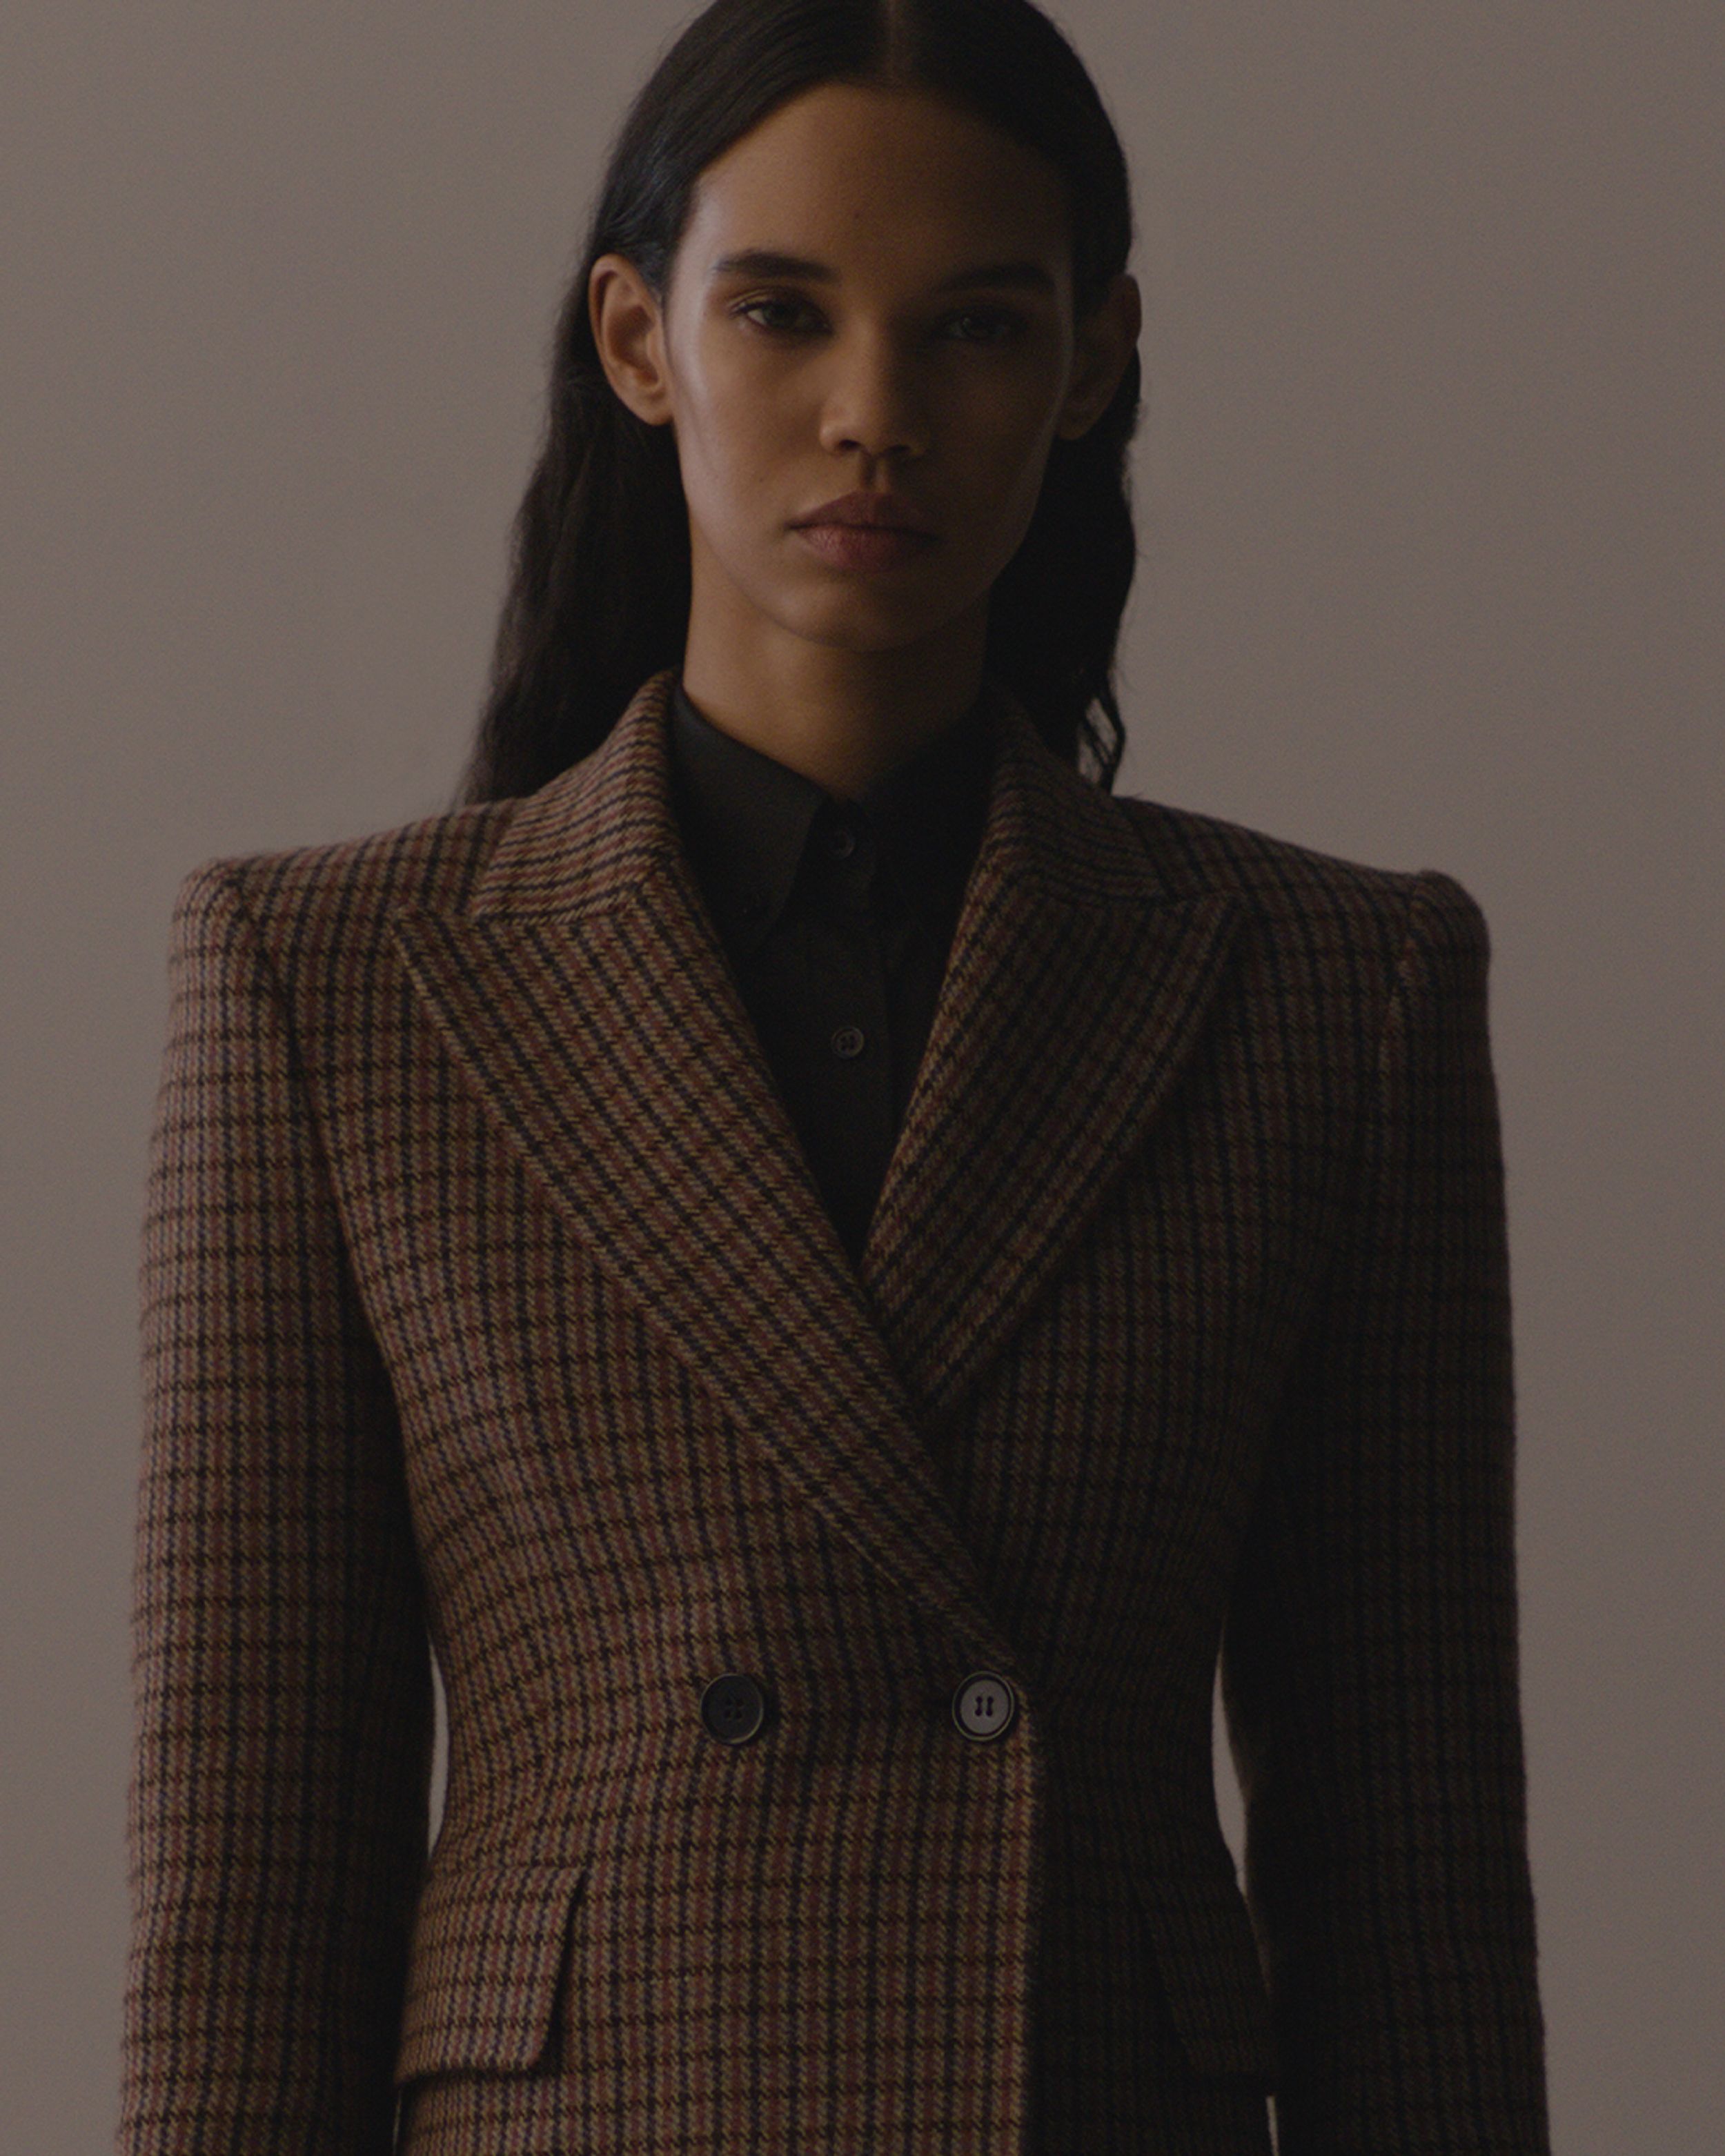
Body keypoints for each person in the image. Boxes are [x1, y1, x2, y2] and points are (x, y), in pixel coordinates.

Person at [117, 2, 1551, 2151]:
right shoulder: (330, 986)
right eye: (780, 312)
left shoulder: (1329, 992)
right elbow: (254, 1887)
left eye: (974, 327)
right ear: (637, 337)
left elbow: (1410, 1880)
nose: (872, 413)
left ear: (1092, 361)